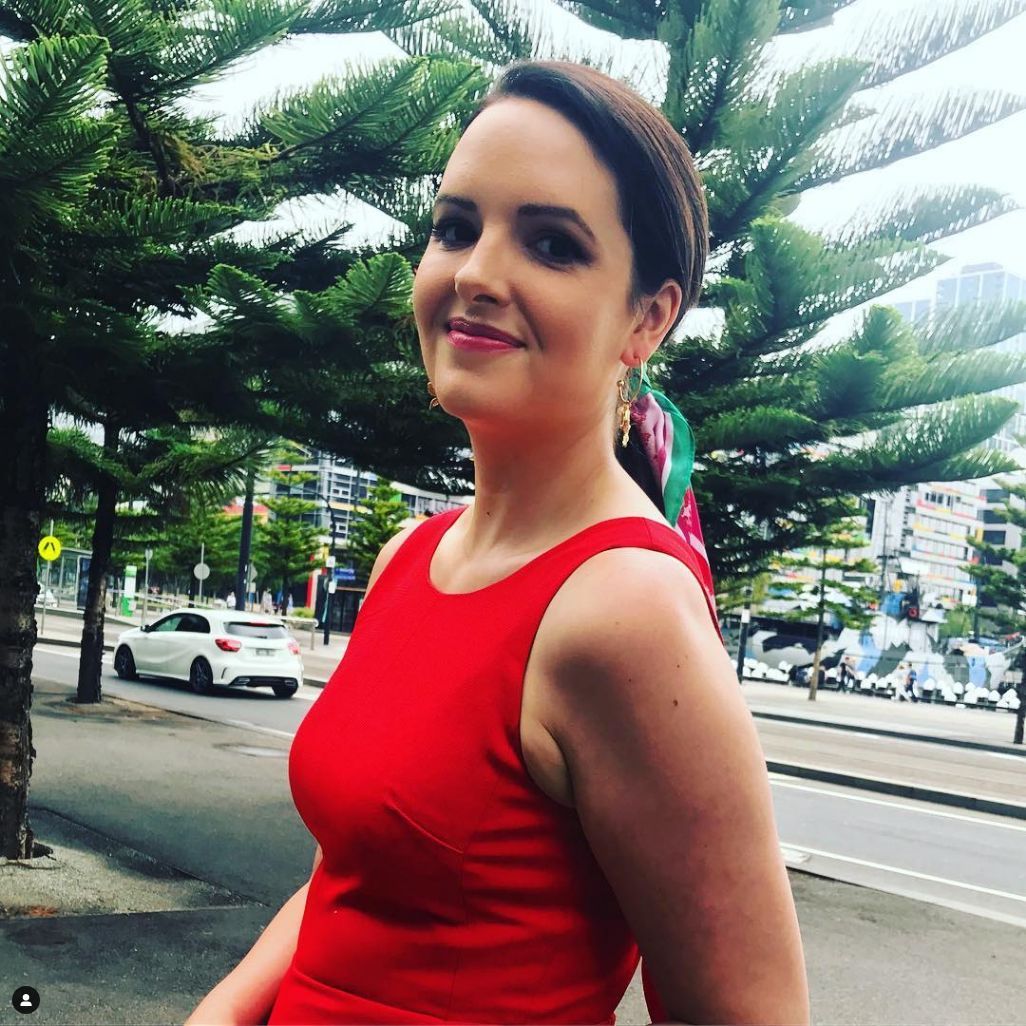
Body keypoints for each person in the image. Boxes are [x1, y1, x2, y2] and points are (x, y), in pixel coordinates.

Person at [186, 59, 809, 1026]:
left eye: (553, 244)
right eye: (455, 228)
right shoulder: (409, 557)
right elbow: (350, 875)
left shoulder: (625, 610)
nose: (476, 274)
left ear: (647, 319)